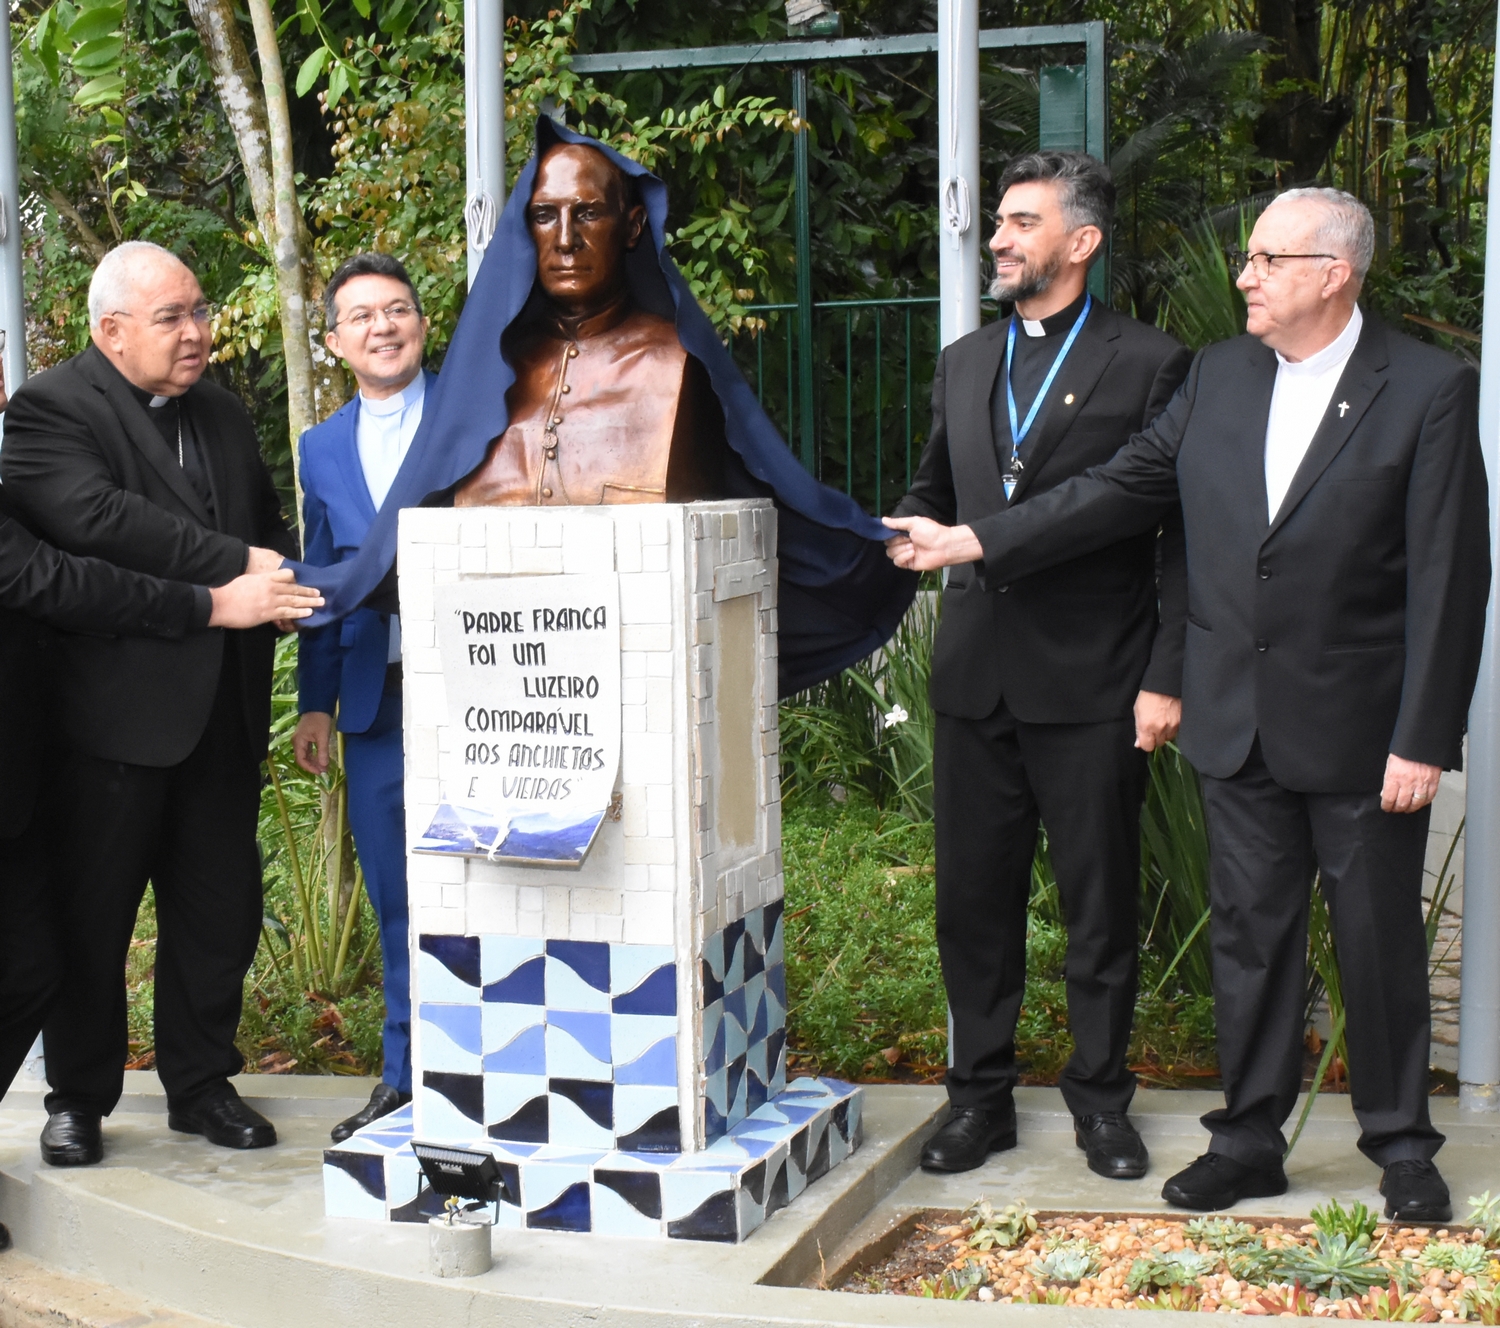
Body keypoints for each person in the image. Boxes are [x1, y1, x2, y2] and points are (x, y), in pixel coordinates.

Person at [885, 187, 1489, 1221]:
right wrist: (980, 538)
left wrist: (1424, 734)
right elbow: (1121, 489)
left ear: (1332, 274)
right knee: (1249, 938)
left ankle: (1400, 1147)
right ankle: (1249, 1136)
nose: (1243, 276)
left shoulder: (1428, 387)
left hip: (1360, 727)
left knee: (1377, 938)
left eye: (1265, 259)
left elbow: (1450, 572)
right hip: (1237, 717)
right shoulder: (1218, 374)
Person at [284, 116, 917, 699]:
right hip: (510, 691)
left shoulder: (677, 365)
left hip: (641, 669)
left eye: (587, 213)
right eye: (544, 215)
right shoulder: (486, 384)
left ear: (633, 227)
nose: (564, 239)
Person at [888, 152, 1192, 1179]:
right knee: (972, 902)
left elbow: (1144, 510)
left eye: (1022, 221)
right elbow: (936, 487)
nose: (1001, 238)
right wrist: (896, 533)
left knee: (1097, 907)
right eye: (1000, 222)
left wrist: (1165, 671)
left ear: (1082, 240)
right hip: (976, 677)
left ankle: (1102, 1102)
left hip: (1095, 679)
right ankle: (980, 1100)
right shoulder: (965, 360)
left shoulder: (1153, 362)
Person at [0, 240, 303, 1167]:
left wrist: (295, 583)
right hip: (108, 723)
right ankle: (80, 1097)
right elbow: (95, 523)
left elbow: (261, 524)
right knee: (93, 920)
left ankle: (202, 1085)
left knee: (219, 911)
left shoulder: (219, 411)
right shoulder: (53, 408)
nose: (197, 332)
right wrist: (237, 574)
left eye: (200, 310)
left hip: (224, 713)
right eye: (172, 317)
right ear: (111, 329)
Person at [294, 253, 433, 1141]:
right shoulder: (319, 447)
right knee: (396, 894)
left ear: (422, 323)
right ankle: (403, 1072)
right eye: (364, 316)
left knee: (500, 880)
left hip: (484, 687)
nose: (384, 326)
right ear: (337, 341)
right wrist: (316, 702)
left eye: (399, 309)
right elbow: (317, 578)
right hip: (376, 700)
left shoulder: (478, 414)